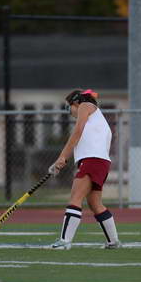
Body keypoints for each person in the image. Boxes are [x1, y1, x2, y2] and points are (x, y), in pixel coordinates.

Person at [49, 89, 121, 250]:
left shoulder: (85, 105)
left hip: (92, 160)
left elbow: (77, 131)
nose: (70, 113)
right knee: (95, 204)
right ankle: (113, 242)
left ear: (75, 102)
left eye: (68, 109)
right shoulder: (96, 117)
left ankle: (64, 242)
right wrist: (64, 159)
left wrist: (62, 157)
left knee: (75, 198)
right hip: (100, 162)